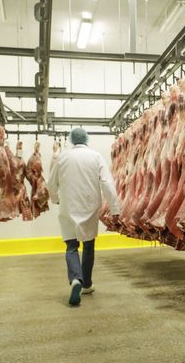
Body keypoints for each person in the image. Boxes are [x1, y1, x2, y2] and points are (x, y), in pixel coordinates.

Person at [48, 128, 121, 306]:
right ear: (87, 140)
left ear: (72, 140)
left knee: (71, 246)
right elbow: (107, 183)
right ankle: (86, 283)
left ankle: (75, 280)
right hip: (89, 205)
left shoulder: (63, 157)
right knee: (88, 245)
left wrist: (56, 199)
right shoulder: (95, 156)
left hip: (68, 205)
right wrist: (115, 209)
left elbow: (51, 183)